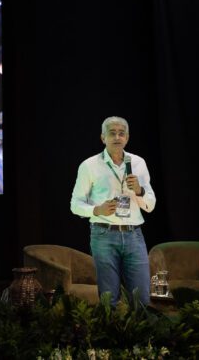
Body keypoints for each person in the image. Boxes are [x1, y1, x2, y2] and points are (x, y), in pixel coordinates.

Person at [71, 116, 156, 305]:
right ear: (103, 138)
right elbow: (75, 204)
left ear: (127, 138)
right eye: (112, 133)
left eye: (121, 133)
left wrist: (139, 190)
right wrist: (97, 210)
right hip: (104, 235)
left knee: (142, 299)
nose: (117, 137)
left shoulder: (138, 163)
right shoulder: (89, 165)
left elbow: (150, 204)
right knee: (109, 299)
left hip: (134, 235)